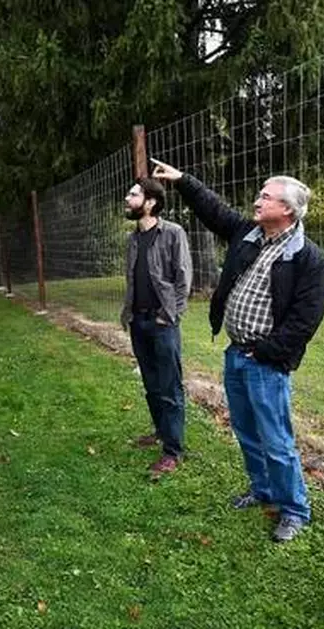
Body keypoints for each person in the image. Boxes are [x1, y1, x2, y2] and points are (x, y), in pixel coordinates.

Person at [151, 159, 324, 542]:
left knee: (276, 440)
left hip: (264, 362)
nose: (257, 200)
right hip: (236, 354)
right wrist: (183, 181)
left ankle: (294, 509)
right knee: (246, 431)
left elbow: (305, 321)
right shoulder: (248, 234)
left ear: (287, 210)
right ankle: (262, 490)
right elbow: (214, 210)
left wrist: (265, 351)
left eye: (266, 196)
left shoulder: (307, 257)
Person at [120, 177, 192, 476]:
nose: (127, 198)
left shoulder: (173, 233)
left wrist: (168, 316)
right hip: (138, 320)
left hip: (163, 322)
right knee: (151, 384)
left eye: (134, 194)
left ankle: (173, 451)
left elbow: (183, 279)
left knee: (170, 386)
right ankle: (161, 431)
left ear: (150, 202)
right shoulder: (133, 239)